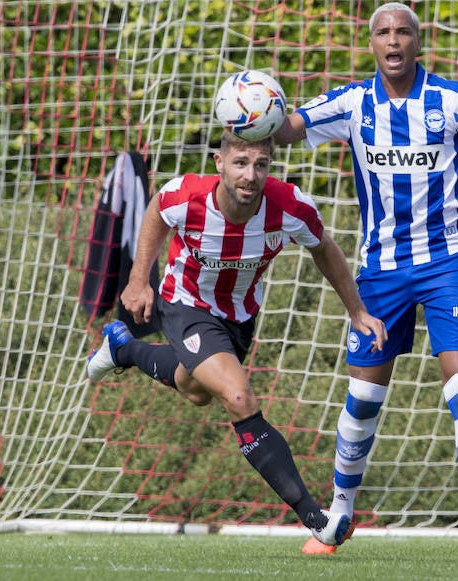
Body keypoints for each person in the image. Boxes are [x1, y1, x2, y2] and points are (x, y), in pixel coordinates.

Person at [272, 1, 458, 559]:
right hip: (380, 271)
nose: (393, 40)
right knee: (365, 396)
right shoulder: (352, 104)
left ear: (419, 42)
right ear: (370, 42)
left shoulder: (452, 99)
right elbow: (286, 132)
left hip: (449, 266)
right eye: (383, 32)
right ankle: (338, 518)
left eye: (403, 32)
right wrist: (256, 107)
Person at [85, 130, 388, 550]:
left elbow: (324, 249)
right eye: (240, 163)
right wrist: (139, 281)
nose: (250, 175)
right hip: (186, 304)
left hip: (239, 317)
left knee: (196, 391)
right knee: (239, 398)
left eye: (260, 165)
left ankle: (123, 348)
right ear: (219, 163)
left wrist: (357, 311)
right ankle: (315, 518)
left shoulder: (290, 206)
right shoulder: (187, 195)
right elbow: (156, 209)